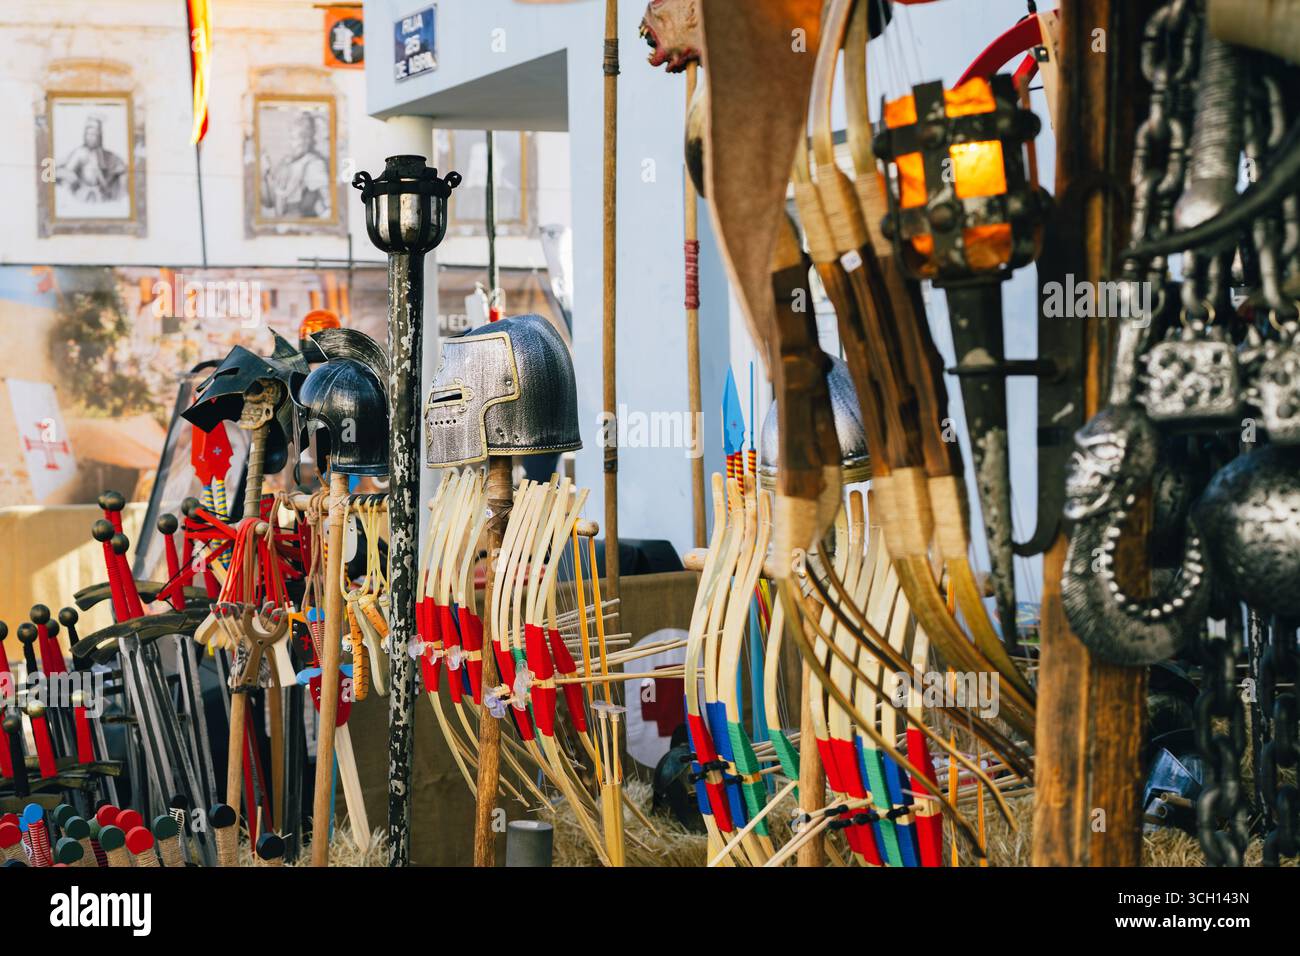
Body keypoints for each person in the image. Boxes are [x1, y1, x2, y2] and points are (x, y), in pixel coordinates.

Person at [262, 112, 330, 219]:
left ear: (307, 140)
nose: (291, 144)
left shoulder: (314, 164)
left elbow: (328, 205)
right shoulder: (285, 163)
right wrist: (265, 174)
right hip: (281, 225)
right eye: (291, 138)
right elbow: (269, 203)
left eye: (295, 138)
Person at [56, 116, 127, 203]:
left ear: (99, 136)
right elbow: (68, 172)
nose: (90, 137)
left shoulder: (104, 154)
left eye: (94, 135)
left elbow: (117, 170)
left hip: (100, 194)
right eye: (88, 134)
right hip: (83, 194)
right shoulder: (80, 152)